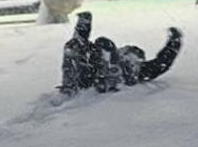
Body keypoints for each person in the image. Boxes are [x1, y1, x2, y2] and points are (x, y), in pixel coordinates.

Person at [52, 11, 183, 105]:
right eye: (131, 50)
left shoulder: (141, 68)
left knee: (100, 43)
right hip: (94, 74)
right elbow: (163, 63)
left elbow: (162, 63)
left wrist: (174, 42)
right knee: (78, 46)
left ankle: (112, 77)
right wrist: (174, 42)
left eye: (135, 53)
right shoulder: (115, 55)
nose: (132, 52)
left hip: (113, 76)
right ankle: (74, 84)